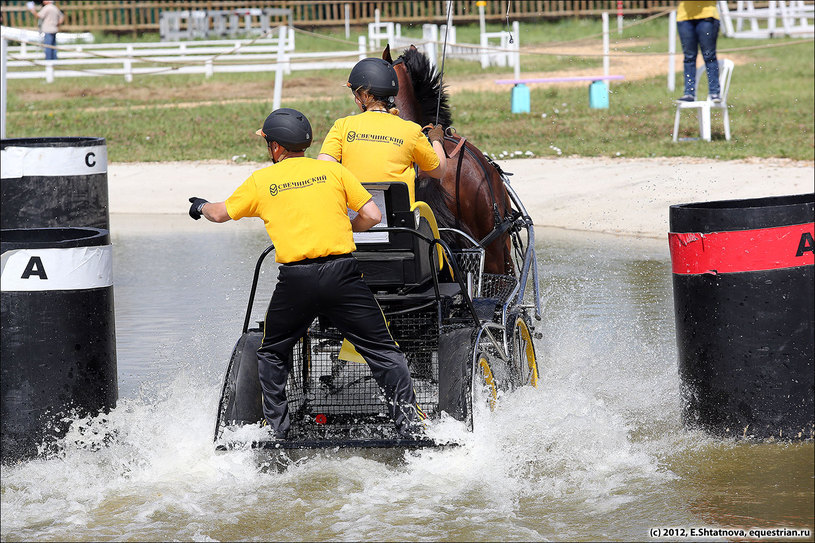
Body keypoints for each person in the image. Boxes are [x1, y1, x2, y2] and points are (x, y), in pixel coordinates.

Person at [187, 108, 426, 440]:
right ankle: (410, 429)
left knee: (271, 352)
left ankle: (280, 433)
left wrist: (199, 206)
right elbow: (371, 214)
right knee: (385, 352)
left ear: (275, 148)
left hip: (296, 281)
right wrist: (347, 228)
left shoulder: (261, 181)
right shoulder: (333, 172)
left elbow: (218, 213)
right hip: (343, 276)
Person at [317, 57, 447, 205]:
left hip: (355, 218)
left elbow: (324, 169)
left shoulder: (342, 126)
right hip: (399, 225)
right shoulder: (412, 130)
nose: (356, 100)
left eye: (356, 96)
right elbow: (439, 171)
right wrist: (436, 140)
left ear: (365, 96)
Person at [675, 0, 721, 103]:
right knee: (689, 57)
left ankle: (714, 92)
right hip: (684, 18)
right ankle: (689, 93)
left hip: (707, 16)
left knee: (709, 56)